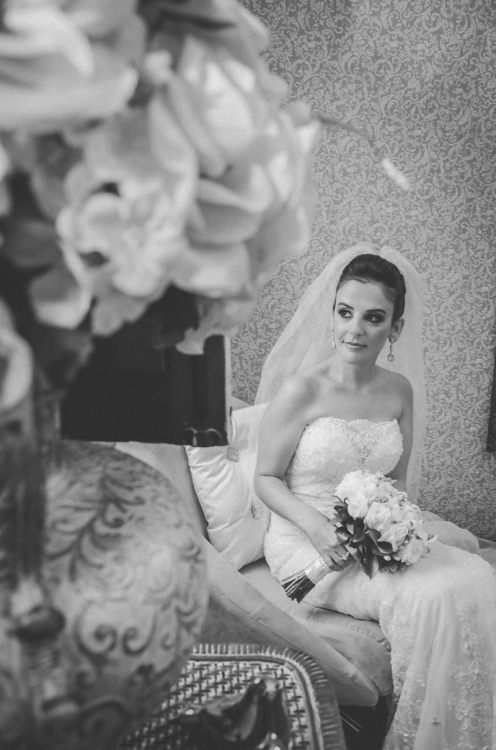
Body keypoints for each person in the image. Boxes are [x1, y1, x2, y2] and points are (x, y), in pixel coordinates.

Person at [254, 243, 496, 750]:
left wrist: (394, 528)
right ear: (332, 314)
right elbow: (266, 478)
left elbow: (399, 482)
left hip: (374, 538)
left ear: (395, 328)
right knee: (431, 596)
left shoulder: (399, 390)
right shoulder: (302, 391)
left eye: (373, 317)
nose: (355, 329)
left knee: (477, 575)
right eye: (345, 312)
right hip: (309, 546)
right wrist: (318, 528)